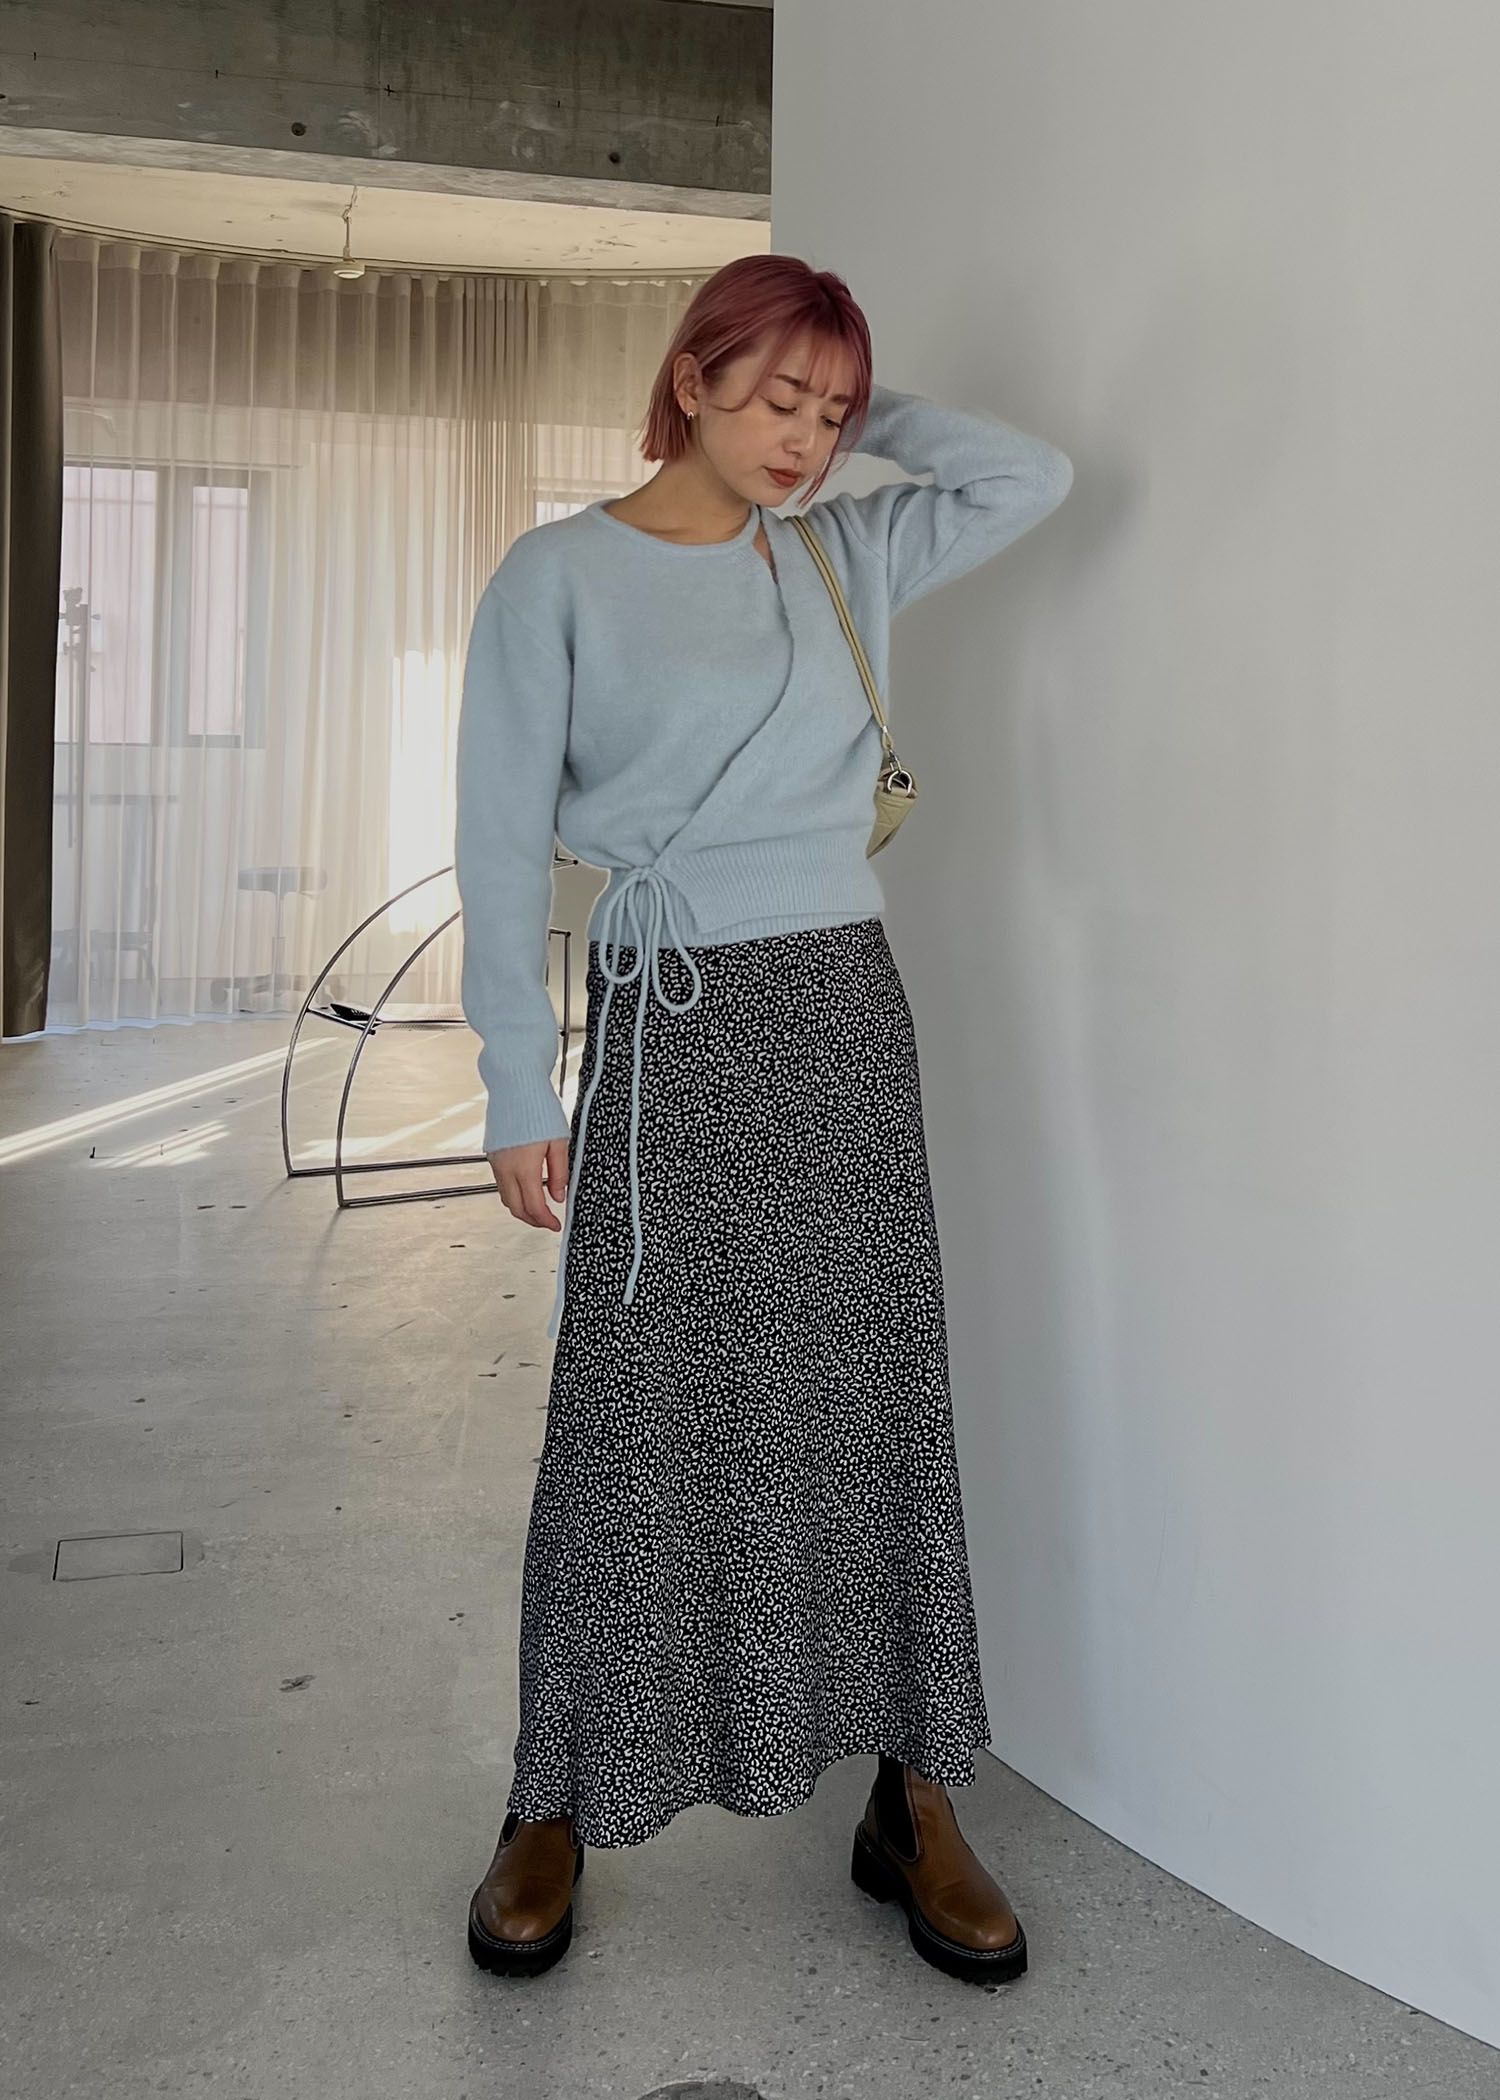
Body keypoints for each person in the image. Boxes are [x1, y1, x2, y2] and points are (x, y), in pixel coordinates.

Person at [453, 253, 1073, 1985]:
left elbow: (1031, 480)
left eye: (833, 410)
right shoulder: (558, 576)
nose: (804, 438)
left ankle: (914, 1790)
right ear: (693, 376)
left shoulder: (843, 551)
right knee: (630, 1420)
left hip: (845, 1015)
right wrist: (515, 1077)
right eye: (778, 396)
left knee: (872, 1398)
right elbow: (496, 839)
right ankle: (553, 1795)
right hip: (671, 1022)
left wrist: (874, 413)